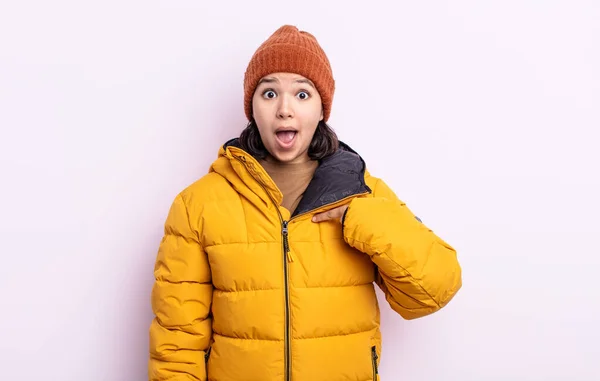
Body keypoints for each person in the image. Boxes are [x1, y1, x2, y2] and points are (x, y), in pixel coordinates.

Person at [148, 24, 462, 381]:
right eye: (269, 94)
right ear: (252, 107)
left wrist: (361, 219)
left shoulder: (360, 192)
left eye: (302, 94)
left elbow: (434, 289)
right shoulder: (198, 205)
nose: (284, 109)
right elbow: (177, 342)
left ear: (321, 108)